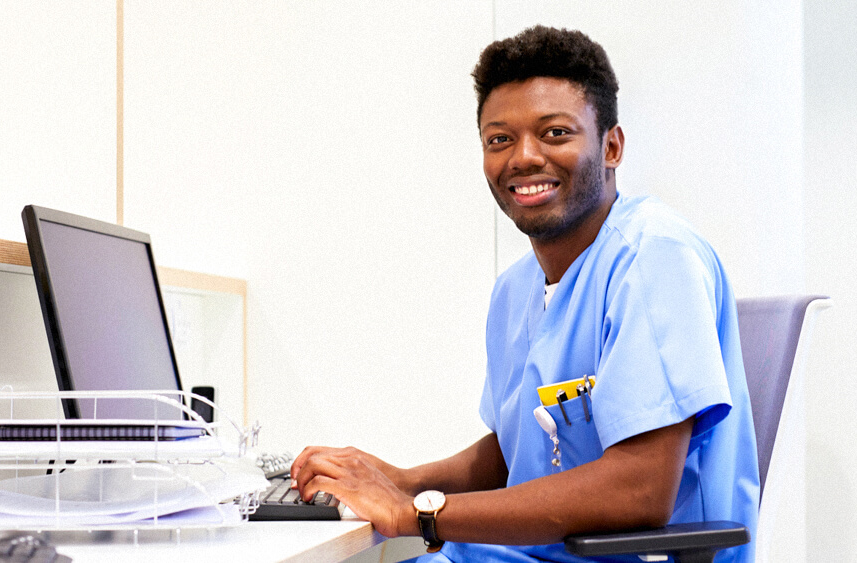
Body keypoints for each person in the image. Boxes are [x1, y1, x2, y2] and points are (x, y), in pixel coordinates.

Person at [291, 25, 759, 563]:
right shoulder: (516, 290)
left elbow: (641, 489)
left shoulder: (653, 258)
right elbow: (514, 454)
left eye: (555, 133)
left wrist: (419, 515)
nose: (524, 157)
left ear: (611, 146)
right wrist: (402, 481)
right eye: (499, 139)